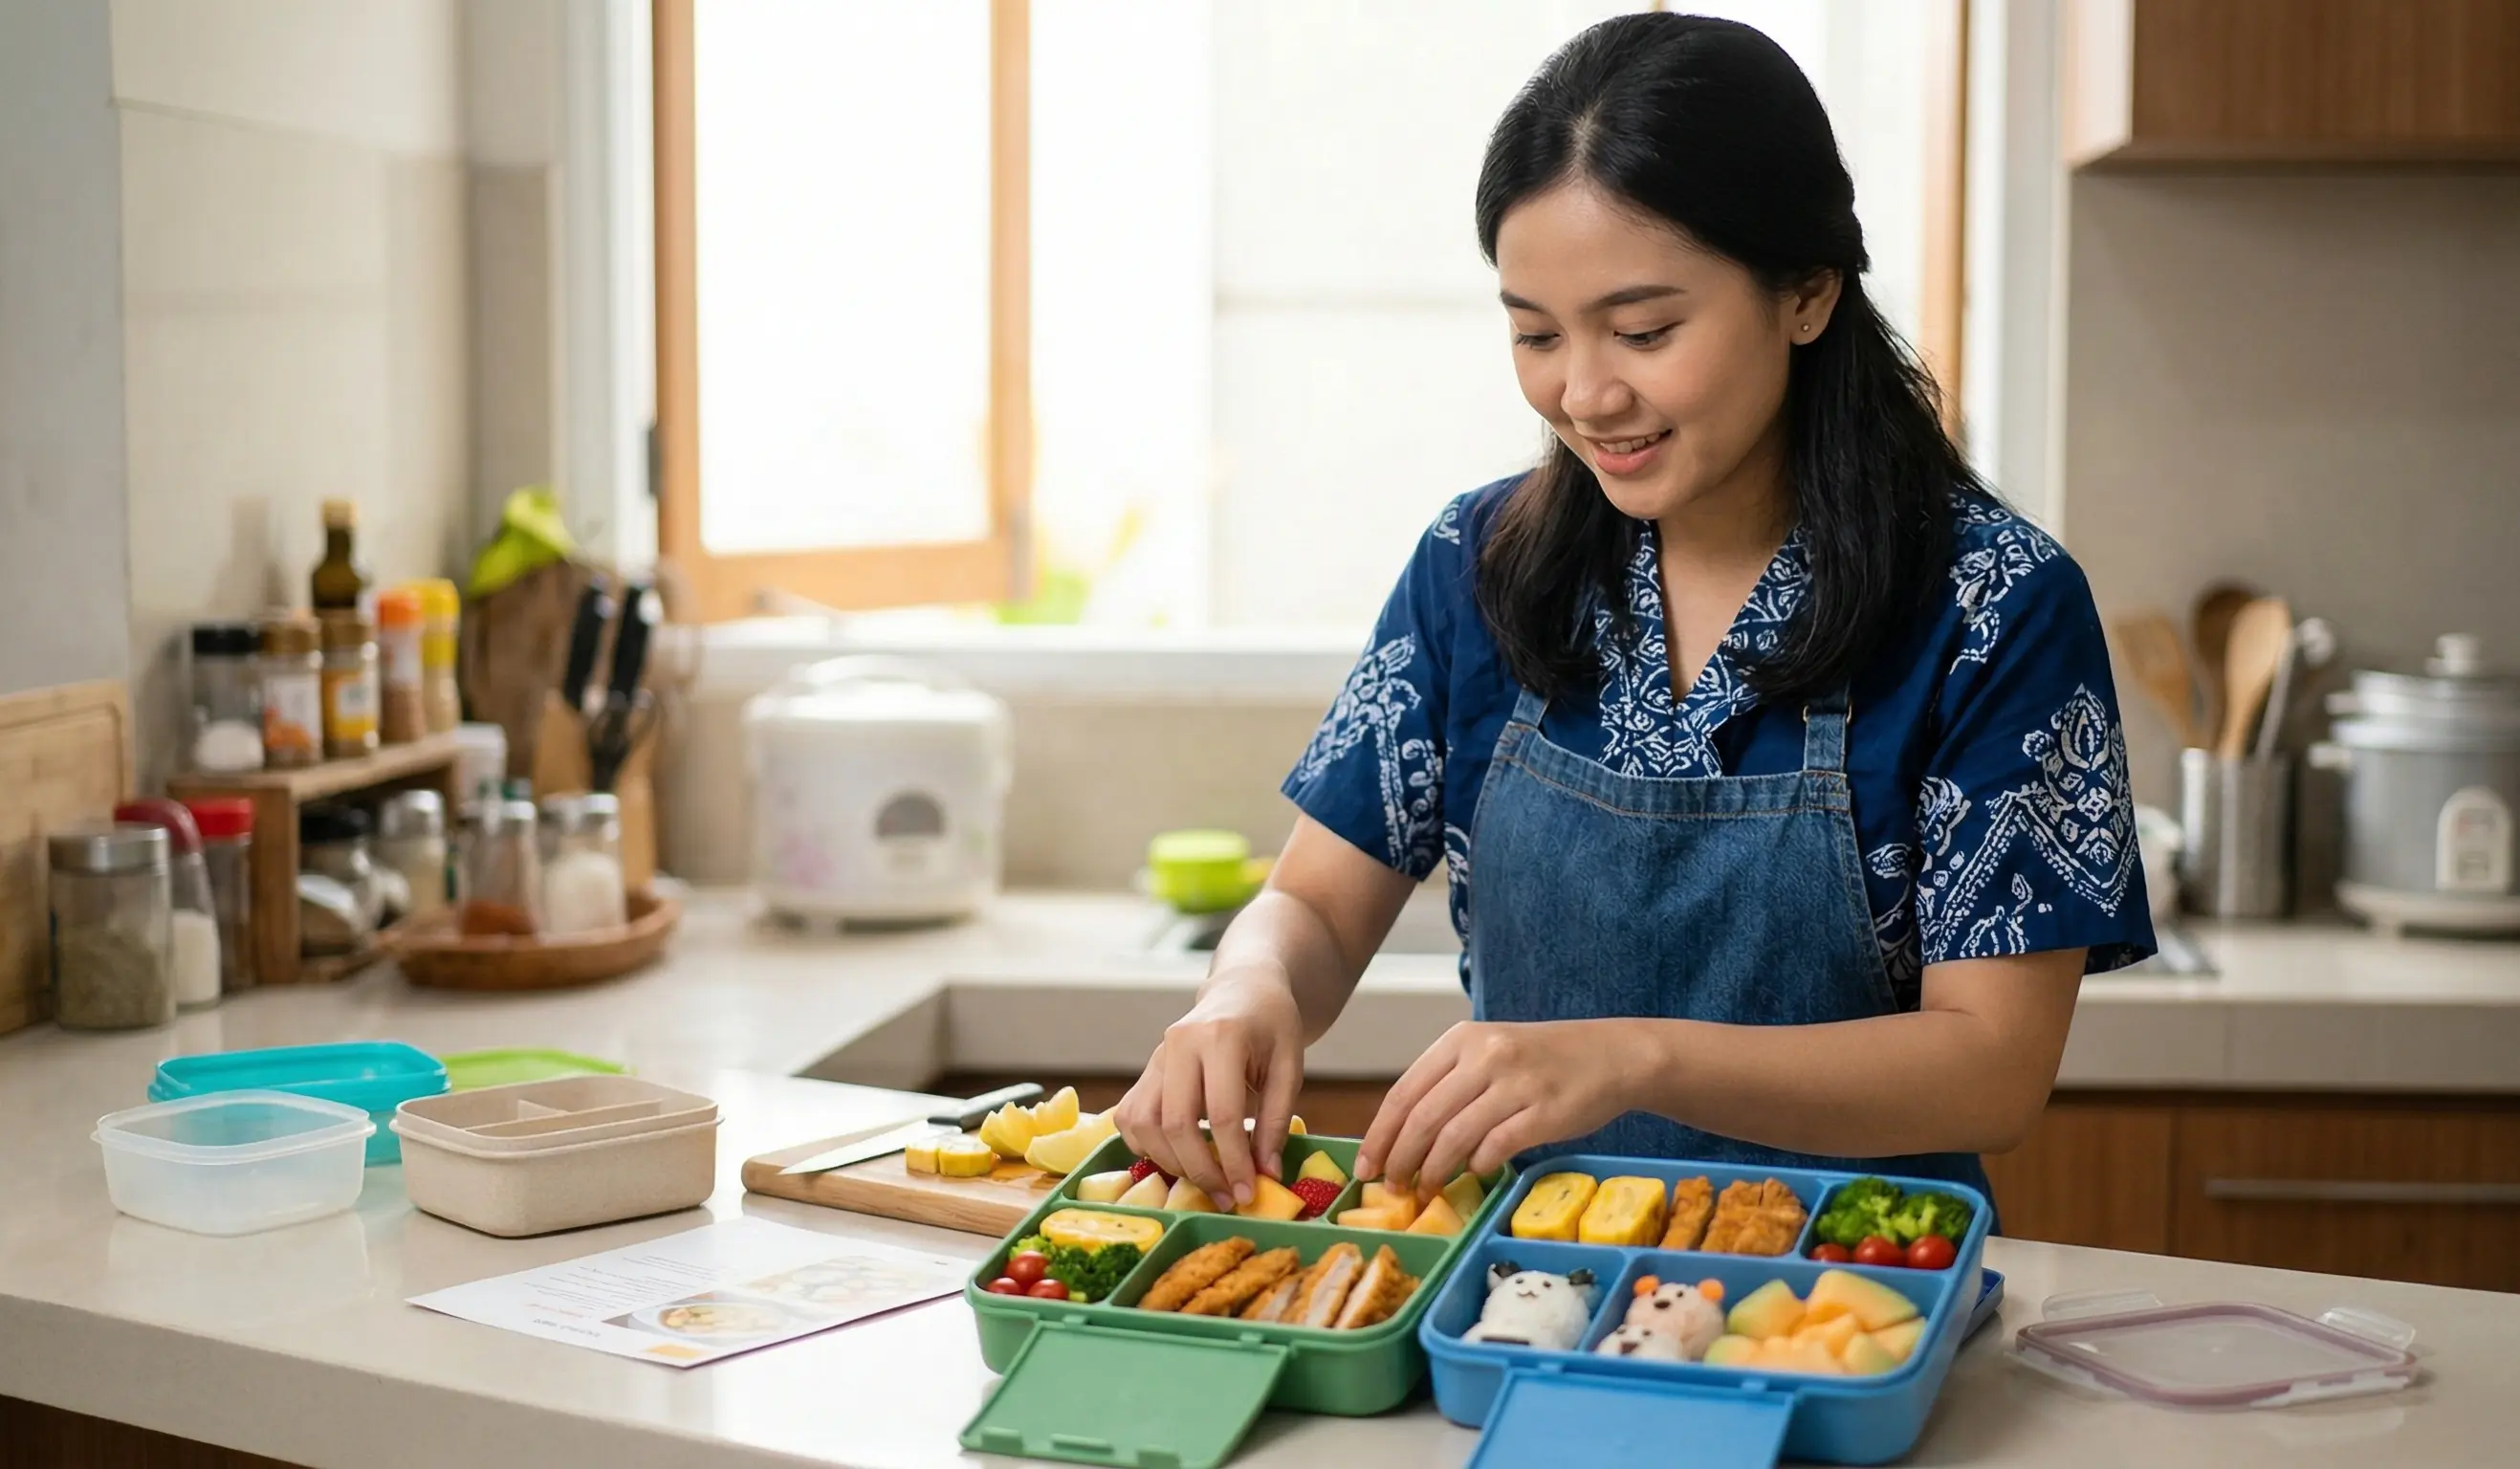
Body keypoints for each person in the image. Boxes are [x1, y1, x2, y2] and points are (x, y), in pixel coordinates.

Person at [1112, 13, 2155, 1215]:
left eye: (1645, 331)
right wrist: (1243, 993)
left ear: (1806, 292)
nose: (1586, 393)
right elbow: (1309, 905)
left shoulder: (1993, 606)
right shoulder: (1479, 562)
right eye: (1535, 333)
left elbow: (1990, 1070)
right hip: (1517, 1286)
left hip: (1845, 1304)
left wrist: (1633, 1058)